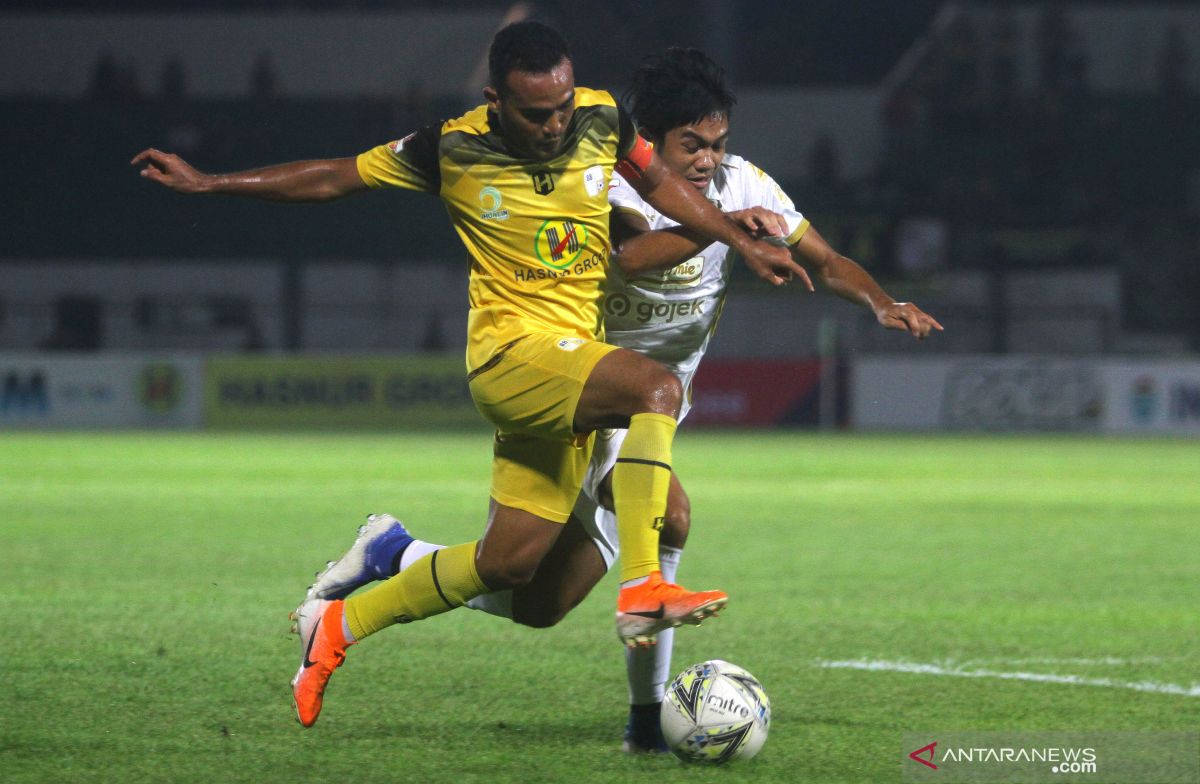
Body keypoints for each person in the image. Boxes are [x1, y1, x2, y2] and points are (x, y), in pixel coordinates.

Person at [131, 22, 808, 728]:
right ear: (495, 100)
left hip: (571, 365)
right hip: (511, 355)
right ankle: (642, 588)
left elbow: (666, 186)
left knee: (514, 572)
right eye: (536, 112)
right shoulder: (450, 147)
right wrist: (212, 183)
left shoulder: (603, 118)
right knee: (656, 391)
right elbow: (336, 175)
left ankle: (341, 621)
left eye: (562, 106)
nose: (554, 125)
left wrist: (737, 238)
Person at [303, 47, 942, 751]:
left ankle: (396, 551)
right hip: (579, 384)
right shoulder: (608, 185)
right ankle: (647, 719)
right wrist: (721, 229)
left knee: (535, 596)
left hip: (643, 422)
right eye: (690, 145)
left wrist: (882, 302)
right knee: (672, 518)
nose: (706, 161)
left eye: (717, 144)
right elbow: (624, 258)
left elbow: (825, 258)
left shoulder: (745, 185)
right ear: (655, 143)